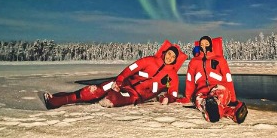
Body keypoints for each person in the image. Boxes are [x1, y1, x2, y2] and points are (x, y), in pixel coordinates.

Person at [43, 40, 187, 109]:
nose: (169, 57)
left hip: (135, 95)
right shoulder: (149, 61)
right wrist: (120, 79)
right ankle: (58, 100)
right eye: (168, 54)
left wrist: (167, 98)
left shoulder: (172, 76)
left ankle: (108, 98)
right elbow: (131, 69)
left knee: (115, 99)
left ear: (175, 59)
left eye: (172, 57)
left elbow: (173, 93)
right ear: (164, 53)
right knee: (97, 90)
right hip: (124, 83)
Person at [177, 36, 248, 123]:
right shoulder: (194, 62)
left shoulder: (220, 60)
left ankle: (212, 110)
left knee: (218, 97)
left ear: (211, 45)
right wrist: (188, 97)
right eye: (201, 44)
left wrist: (233, 99)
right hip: (201, 91)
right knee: (200, 101)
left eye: (206, 44)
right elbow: (190, 81)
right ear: (199, 46)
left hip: (219, 88)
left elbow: (228, 79)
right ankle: (234, 114)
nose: (204, 46)